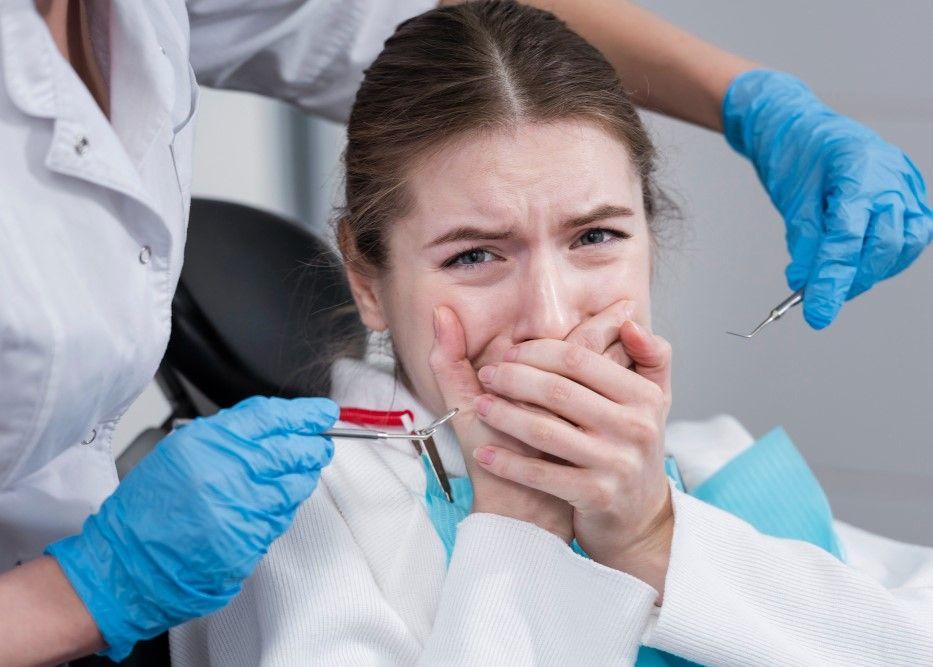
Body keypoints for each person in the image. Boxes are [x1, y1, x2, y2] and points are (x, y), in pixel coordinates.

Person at [0, 0, 929, 664]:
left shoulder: (708, 468)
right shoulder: (304, 533)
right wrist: (515, 534)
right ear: (366, 277)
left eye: (596, 236)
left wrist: (656, 534)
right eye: (475, 256)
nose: (554, 318)